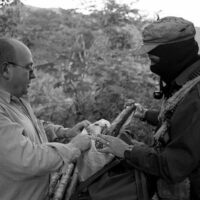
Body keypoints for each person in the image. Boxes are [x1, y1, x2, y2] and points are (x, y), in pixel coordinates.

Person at [97, 16, 200, 199]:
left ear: (173, 55)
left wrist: (128, 151)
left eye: (153, 59)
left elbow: (173, 166)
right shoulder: (188, 80)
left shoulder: (195, 96)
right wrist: (145, 114)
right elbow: (180, 122)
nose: (151, 66)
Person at [0, 37, 91, 200]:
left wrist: (65, 132)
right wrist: (73, 148)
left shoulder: (17, 100)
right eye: (28, 68)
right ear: (6, 70)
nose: (33, 75)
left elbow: (33, 126)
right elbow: (27, 159)